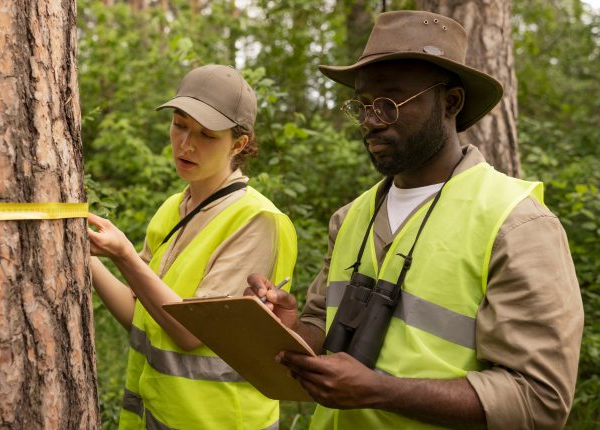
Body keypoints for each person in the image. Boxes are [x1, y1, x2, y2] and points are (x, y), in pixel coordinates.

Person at [247, 10, 583, 430]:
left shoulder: (516, 225)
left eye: (389, 104)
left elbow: (539, 400)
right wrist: (293, 329)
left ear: (451, 103)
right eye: (363, 105)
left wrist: (379, 390)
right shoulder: (351, 217)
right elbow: (321, 329)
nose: (370, 122)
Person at [88, 64, 297, 430]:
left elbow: (189, 334)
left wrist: (123, 254)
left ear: (239, 143)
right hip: (156, 418)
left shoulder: (258, 221)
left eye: (207, 135)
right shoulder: (172, 208)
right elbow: (141, 315)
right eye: (180, 125)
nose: (186, 144)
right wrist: (83, 256)